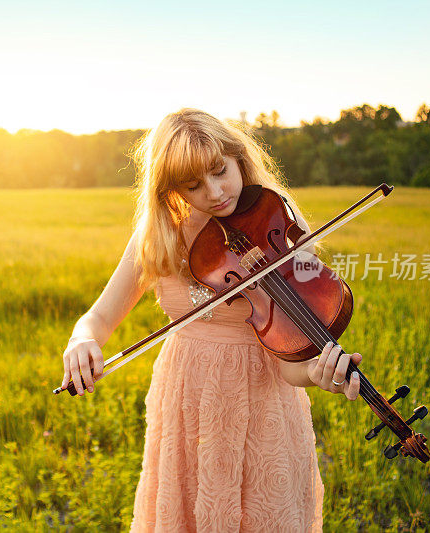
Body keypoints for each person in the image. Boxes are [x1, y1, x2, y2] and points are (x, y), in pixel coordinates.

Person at [58, 108, 362, 532]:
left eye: (221, 171)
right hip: (188, 401)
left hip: (263, 401)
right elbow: (96, 319)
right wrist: (82, 340)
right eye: (193, 184)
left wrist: (318, 373)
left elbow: (290, 364)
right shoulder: (161, 233)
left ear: (239, 158)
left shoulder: (277, 218)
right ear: (171, 187)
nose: (215, 192)